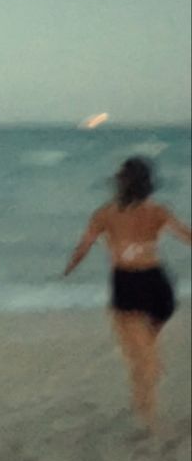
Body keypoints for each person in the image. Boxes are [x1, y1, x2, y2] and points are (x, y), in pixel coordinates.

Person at [63, 157, 191, 431]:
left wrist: (66, 272)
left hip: (129, 286)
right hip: (158, 287)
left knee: (141, 360)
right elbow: (187, 235)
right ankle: (146, 393)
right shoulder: (158, 211)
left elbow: (83, 248)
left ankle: (148, 418)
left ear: (121, 183)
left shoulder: (104, 214)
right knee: (143, 352)